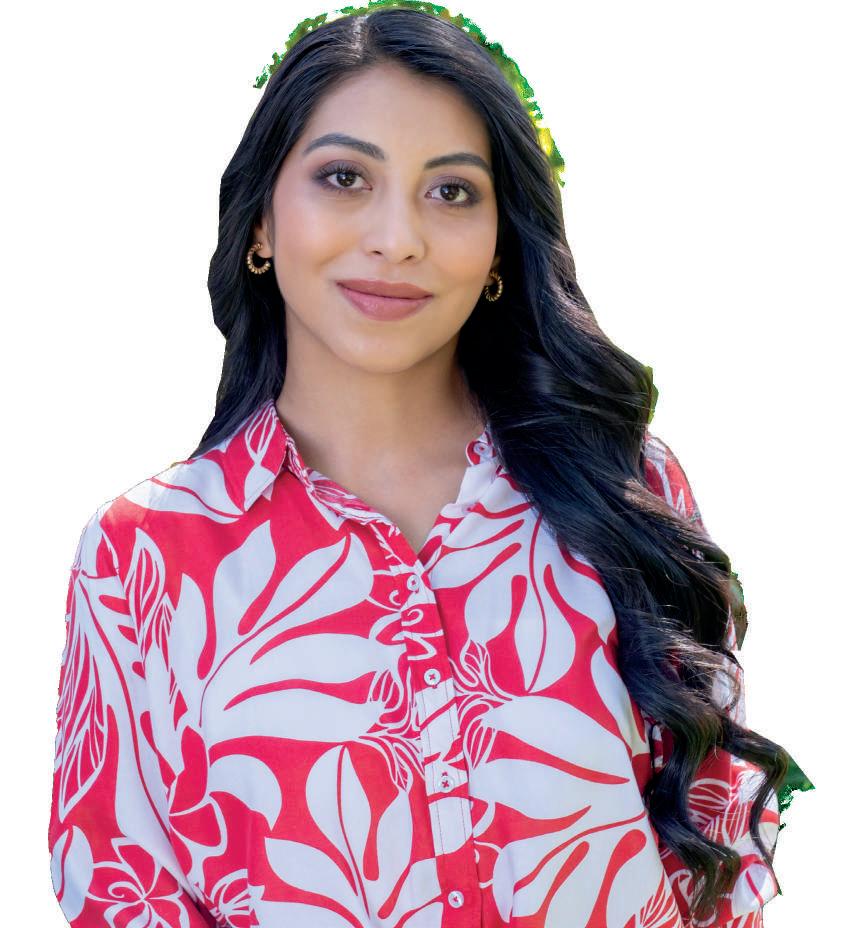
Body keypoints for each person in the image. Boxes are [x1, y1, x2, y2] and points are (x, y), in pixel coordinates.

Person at [47, 3, 813, 926]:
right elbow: (120, 891)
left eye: (450, 192)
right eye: (343, 178)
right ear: (260, 223)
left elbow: (716, 839)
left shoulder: (624, 487)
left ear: (497, 249)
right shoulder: (142, 556)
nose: (397, 236)